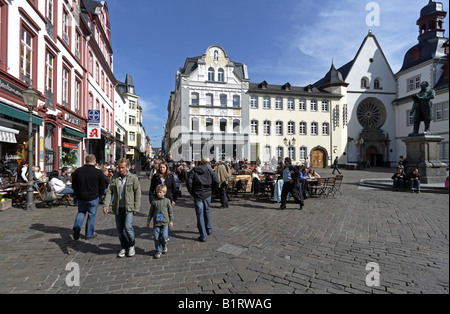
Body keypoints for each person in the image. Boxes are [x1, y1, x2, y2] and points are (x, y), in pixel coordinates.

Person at [104, 158, 141, 258]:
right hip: (117, 206)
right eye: (119, 167)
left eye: (122, 167)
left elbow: (137, 193)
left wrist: (136, 207)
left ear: (127, 167)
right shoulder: (114, 178)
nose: (120, 170)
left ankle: (132, 245)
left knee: (128, 227)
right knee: (120, 230)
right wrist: (106, 205)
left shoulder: (133, 177)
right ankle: (124, 247)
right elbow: (109, 192)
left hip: (129, 207)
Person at [71, 154, 105, 240]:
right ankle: (89, 234)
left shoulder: (78, 171)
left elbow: (74, 185)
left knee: (81, 212)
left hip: (81, 196)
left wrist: (77, 193)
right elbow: (102, 186)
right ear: (94, 161)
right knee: (91, 215)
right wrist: (100, 195)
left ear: (85, 161)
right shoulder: (98, 172)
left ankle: (77, 227)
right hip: (93, 197)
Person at [186, 158, 219, 242]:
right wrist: (212, 190)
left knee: (200, 214)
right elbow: (216, 181)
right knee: (207, 211)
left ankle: (203, 234)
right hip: (207, 193)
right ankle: (208, 229)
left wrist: (192, 192)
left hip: (198, 194)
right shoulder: (209, 170)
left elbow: (189, 182)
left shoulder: (194, 170)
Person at [147, 184, 173, 259]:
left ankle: (164, 245)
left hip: (165, 222)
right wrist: (148, 221)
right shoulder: (154, 202)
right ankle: (158, 250)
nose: (159, 194)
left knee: (164, 236)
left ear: (164, 192)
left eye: (160, 192)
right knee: (156, 237)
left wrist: (171, 220)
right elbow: (151, 212)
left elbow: (170, 211)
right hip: (156, 223)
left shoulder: (167, 201)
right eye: (158, 192)